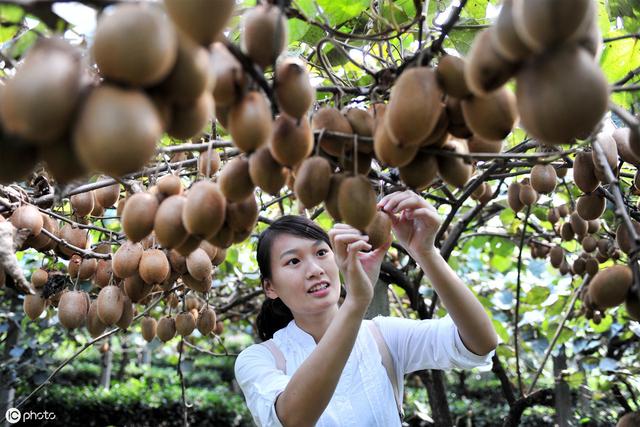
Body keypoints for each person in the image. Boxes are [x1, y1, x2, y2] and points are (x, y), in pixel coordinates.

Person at [234, 190, 499, 427]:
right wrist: (355, 302)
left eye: (321, 253)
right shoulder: (257, 360)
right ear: (270, 287)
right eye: (293, 261)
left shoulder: (383, 336)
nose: (314, 270)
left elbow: (480, 342)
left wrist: (425, 252)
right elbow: (294, 419)